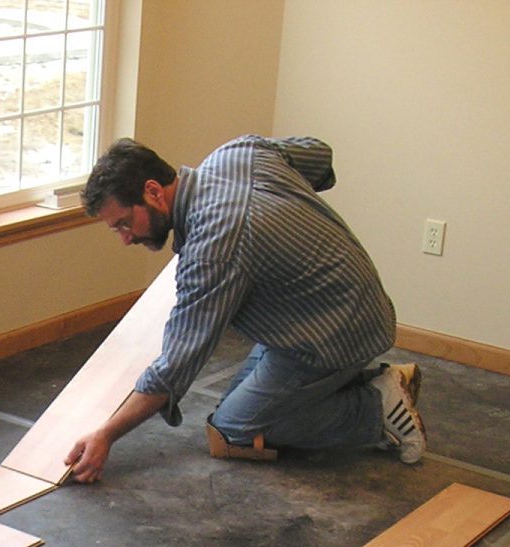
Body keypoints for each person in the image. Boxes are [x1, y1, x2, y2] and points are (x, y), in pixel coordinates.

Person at [64, 135, 426, 484]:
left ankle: (378, 409)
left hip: (333, 335)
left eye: (125, 223)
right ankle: (371, 380)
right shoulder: (236, 153)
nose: (126, 238)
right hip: (334, 311)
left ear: (154, 191)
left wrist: (107, 435)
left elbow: (175, 368)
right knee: (242, 401)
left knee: (236, 428)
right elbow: (319, 155)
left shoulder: (214, 245)